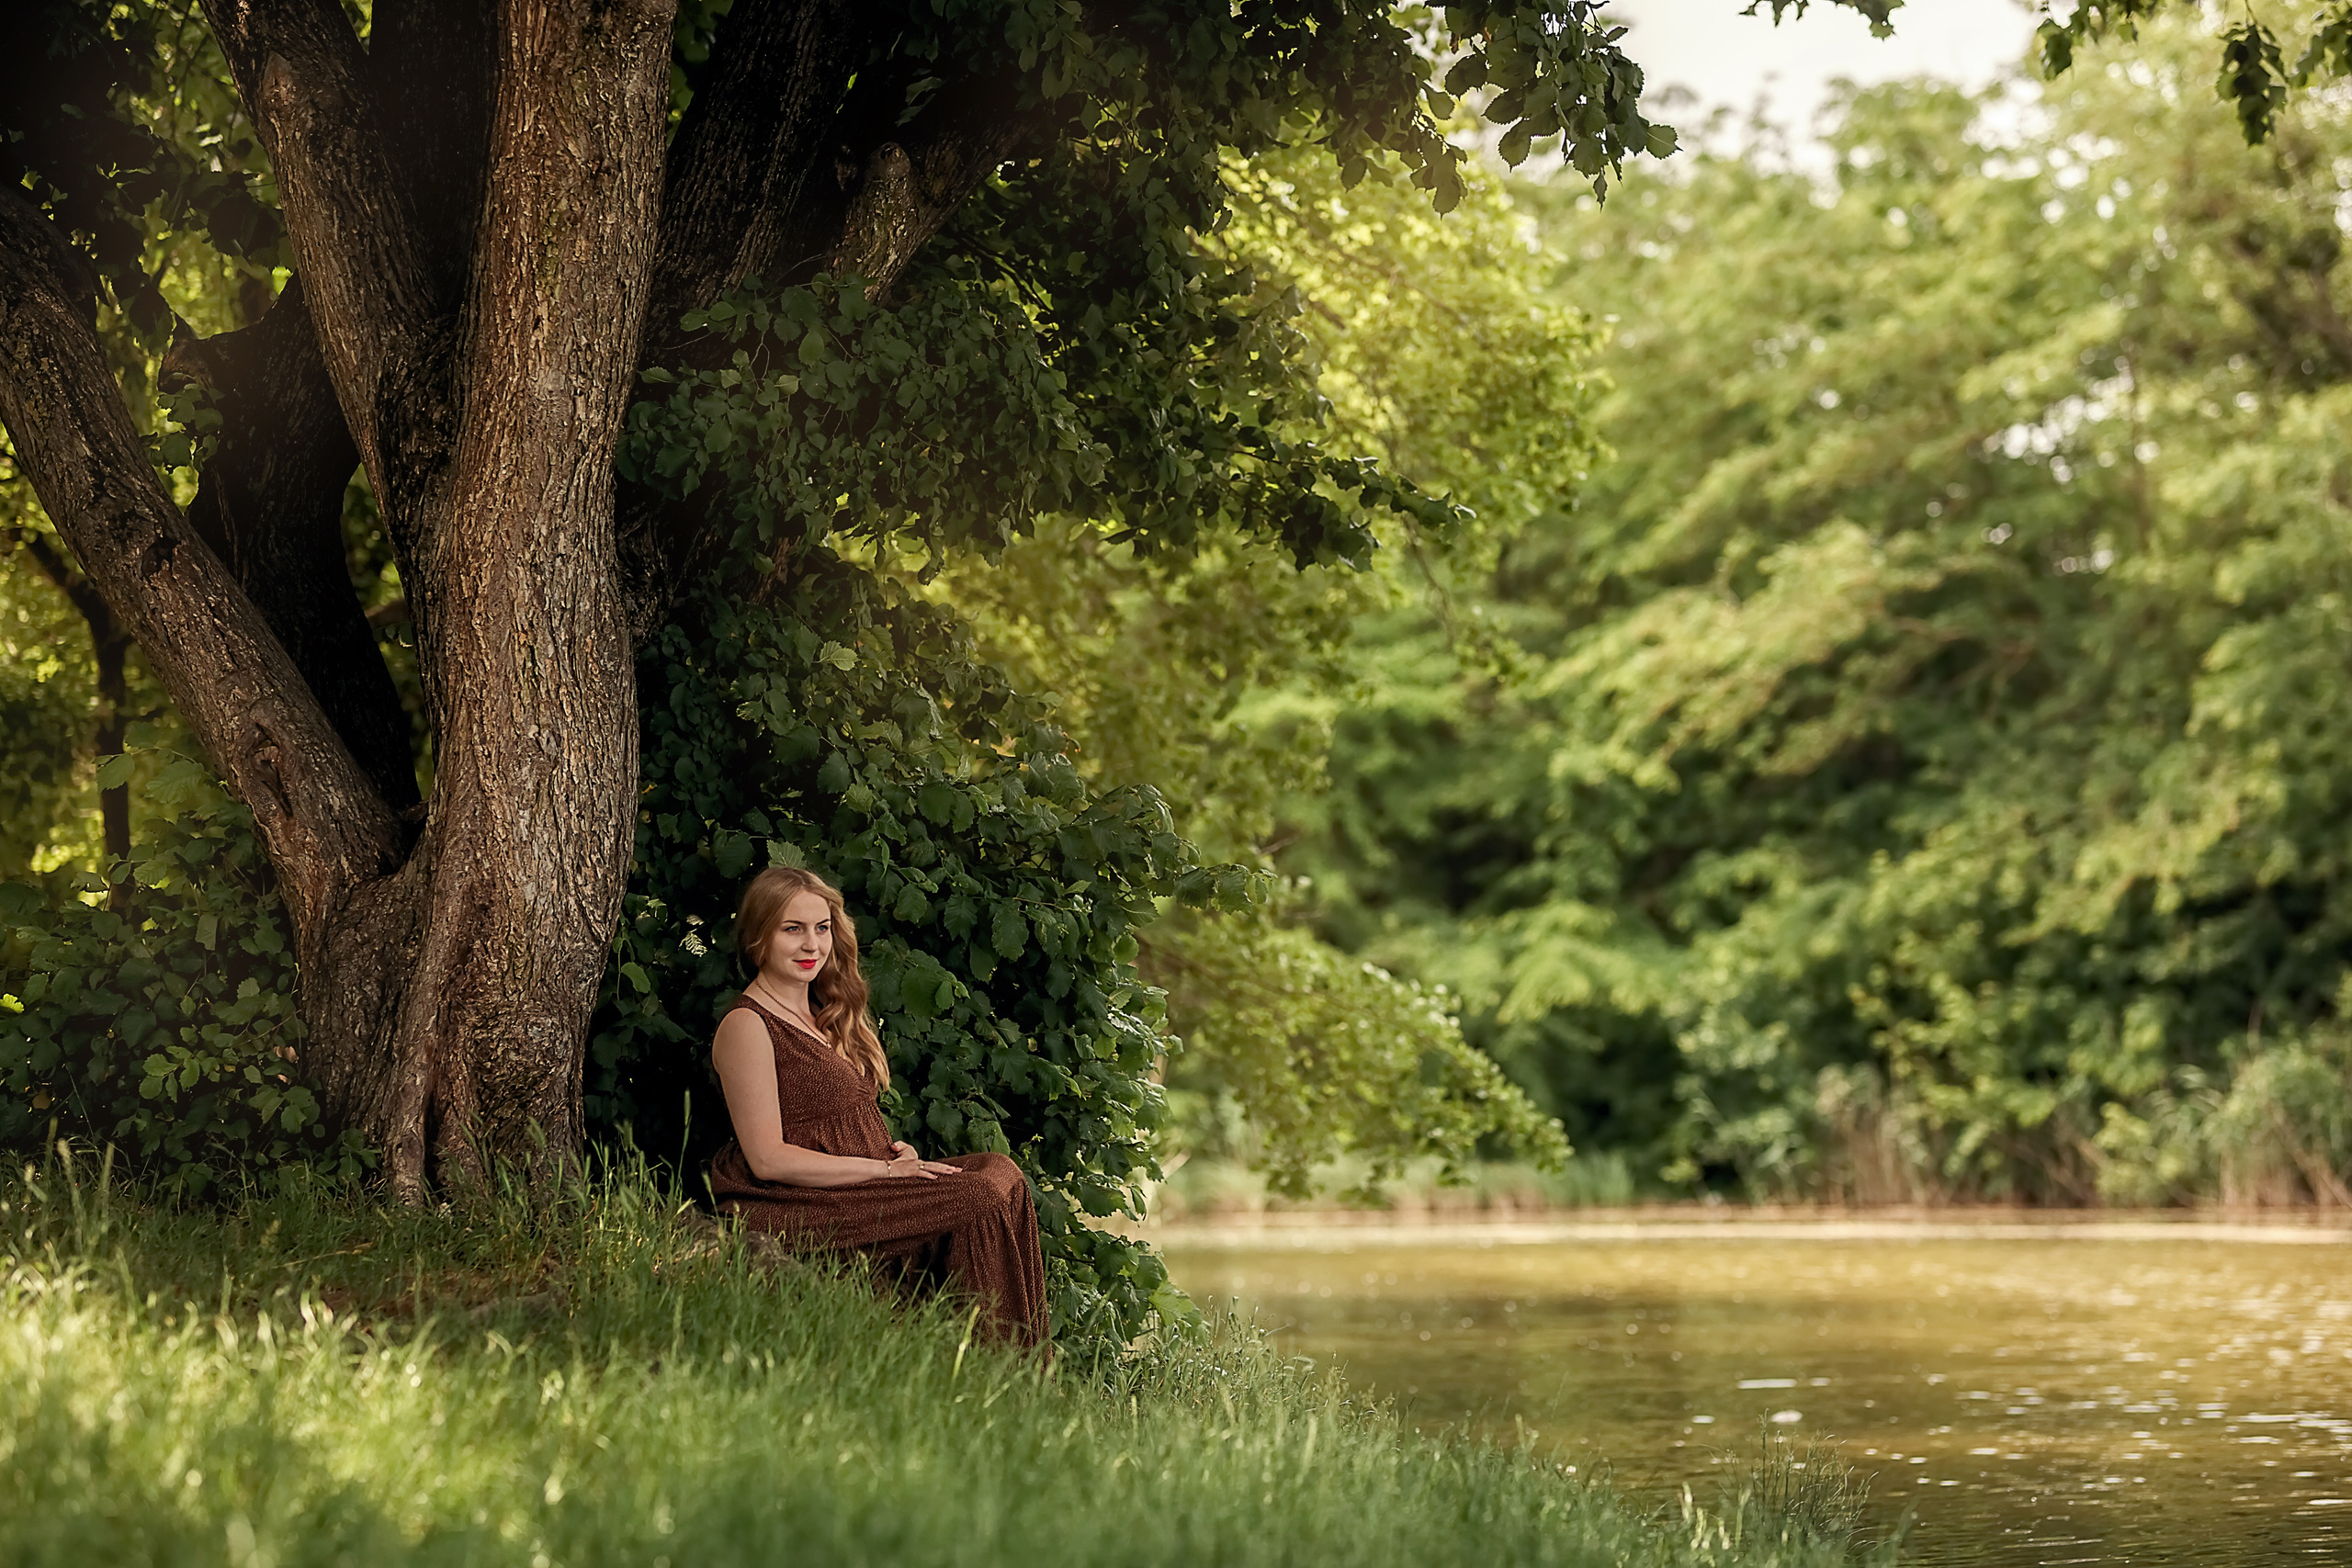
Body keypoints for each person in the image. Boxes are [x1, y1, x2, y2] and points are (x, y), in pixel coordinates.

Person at [707, 865, 1049, 1348]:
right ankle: (1000, 1364)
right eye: (793, 929)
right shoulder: (748, 1025)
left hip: (864, 1183)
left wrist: (893, 1156)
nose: (812, 945)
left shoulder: (822, 1013)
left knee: (999, 1171)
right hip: (793, 1201)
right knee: (981, 1195)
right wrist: (884, 1171)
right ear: (758, 937)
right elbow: (767, 1158)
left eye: (822, 928)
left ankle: (1013, 1366)